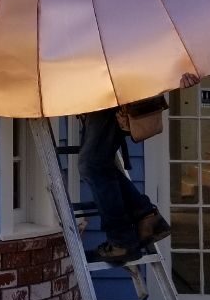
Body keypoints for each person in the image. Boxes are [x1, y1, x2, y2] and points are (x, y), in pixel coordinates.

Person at [80, 73, 200, 264]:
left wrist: (182, 69)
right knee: (97, 164)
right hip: (108, 86)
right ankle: (145, 216)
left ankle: (122, 239)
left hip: (113, 86)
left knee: (93, 165)